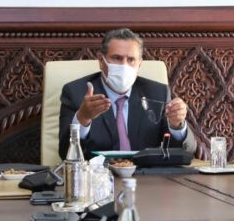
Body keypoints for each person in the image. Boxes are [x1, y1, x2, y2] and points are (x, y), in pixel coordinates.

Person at [59, 28, 197, 159]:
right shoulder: (76, 93)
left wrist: (177, 125)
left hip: (146, 173)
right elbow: (65, 153)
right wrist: (83, 118)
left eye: (131, 60)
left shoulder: (157, 92)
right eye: (117, 58)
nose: (124, 66)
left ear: (139, 65)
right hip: (98, 173)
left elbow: (187, 151)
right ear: (101, 61)